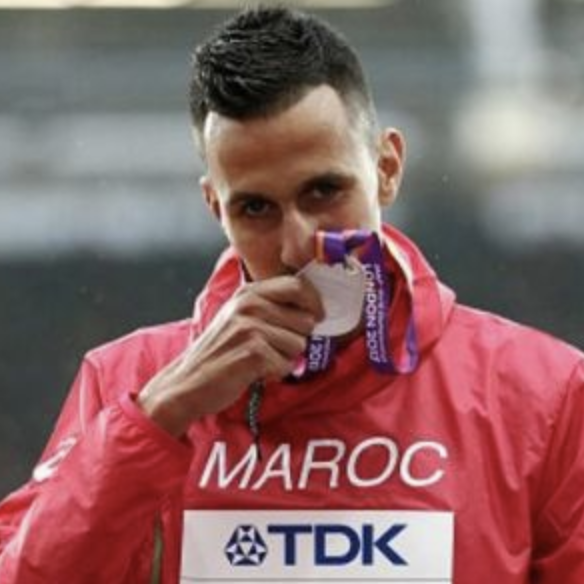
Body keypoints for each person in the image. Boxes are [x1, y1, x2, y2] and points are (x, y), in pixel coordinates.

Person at [0, 6, 583, 584]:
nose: (298, 246)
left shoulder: (545, 396)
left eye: (324, 191)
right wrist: (160, 416)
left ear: (387, 168)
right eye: (256, 208)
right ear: (216, 207)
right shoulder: (126, 382)